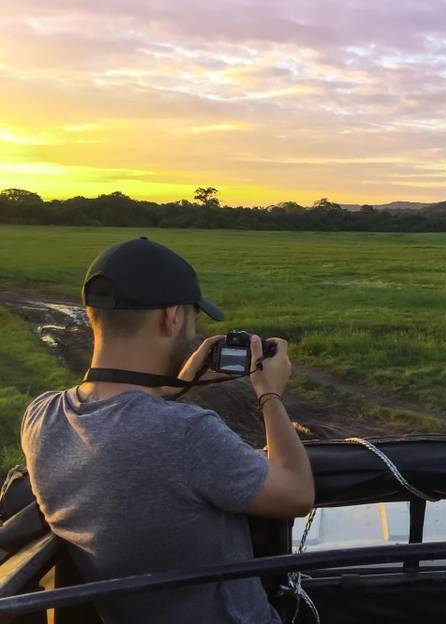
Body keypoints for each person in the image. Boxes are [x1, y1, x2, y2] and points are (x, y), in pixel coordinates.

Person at [20, 237, 315, 623]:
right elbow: (296, 494)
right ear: (171, 317)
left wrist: (176, 387)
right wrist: (270, 395)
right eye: (193, 318)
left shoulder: (41, 417)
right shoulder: (185, 432)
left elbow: (116, 417)